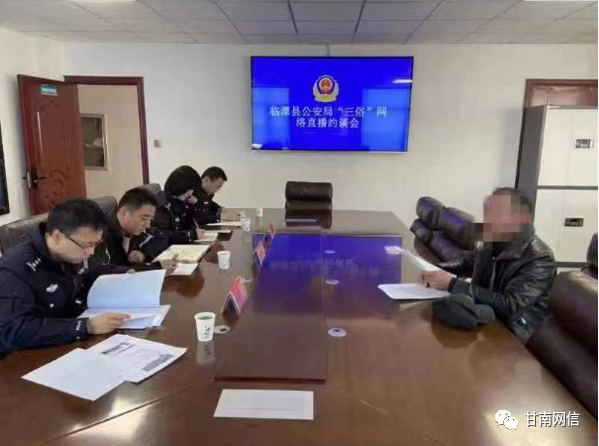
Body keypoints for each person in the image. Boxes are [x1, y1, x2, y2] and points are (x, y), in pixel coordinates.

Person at [420, 188, 556, 343]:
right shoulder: (493, 239)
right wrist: (435, 270)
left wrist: (452, 284)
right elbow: (466, 262)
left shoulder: (539, 258)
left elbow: (510, 307)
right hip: (483, 314)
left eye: (498, 212)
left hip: (514, 333)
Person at [0, 199, 131, 358]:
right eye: (87, 245)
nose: (90, 252)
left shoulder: (71, 252)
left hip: (69, 341)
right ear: (57, 236)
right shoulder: (16, 267)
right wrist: (85, 326)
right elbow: (13, 330)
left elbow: (90, 274)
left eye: (95, 244)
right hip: (27, 357)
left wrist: (128, 273)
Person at [91, 188, 176, 274]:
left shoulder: (135, 228)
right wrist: (154, 268)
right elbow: (101, 271)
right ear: (124, 213)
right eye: (144, 219)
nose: (147, 225)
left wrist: (143, 253)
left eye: (150, 219)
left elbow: (161, 237)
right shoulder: (99, 234)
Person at [152, 166, 204, 244]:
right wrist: (190, 235)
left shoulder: (180, 201)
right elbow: (162, 235)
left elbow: (188, 225)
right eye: (190, 189)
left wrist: (193, 207)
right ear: (182, 185)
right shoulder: (161, 204)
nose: (190, 193)